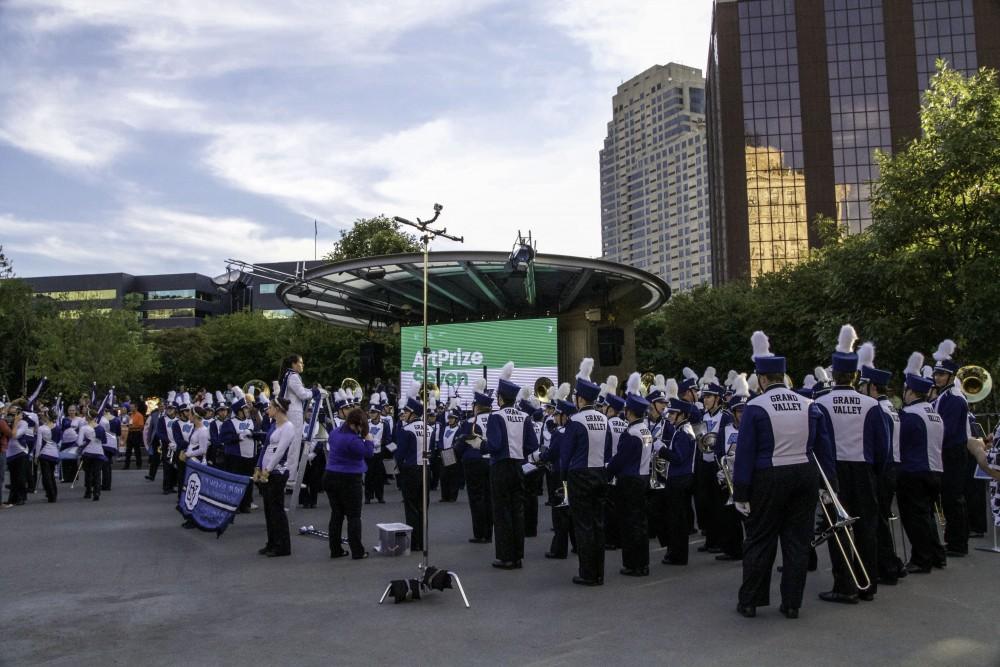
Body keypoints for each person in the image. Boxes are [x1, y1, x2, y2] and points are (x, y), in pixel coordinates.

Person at [733, 331, 835, 619]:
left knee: (760, 539)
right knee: (797, 542)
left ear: (763, 380)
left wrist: (741, 492)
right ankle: (792, 603)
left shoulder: (755, 407)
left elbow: (745, 455)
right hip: (805, 474)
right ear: (784, 377)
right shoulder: (809, 404)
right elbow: (823, 448)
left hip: (769, 476)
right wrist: (830, 485)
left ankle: (751, 601)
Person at [813, 325, 888, 604]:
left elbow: (815, 442)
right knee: (867, 528)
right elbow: (883, 447)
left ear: (833, 375)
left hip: (834, 472)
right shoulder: (870, 404)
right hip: (863, 470)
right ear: (856, 375)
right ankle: (868, 585)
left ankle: (845, 586)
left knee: (839, 530)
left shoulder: (820, 401)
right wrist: (876, 472)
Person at [857, 343, 907, 585]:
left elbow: (882, 447)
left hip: (884, 469)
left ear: (872, 387)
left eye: (863, 386)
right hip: (891, 467)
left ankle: (888, 566)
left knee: (877, 521)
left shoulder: (879, 408)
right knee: (880, 520)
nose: (860, 390)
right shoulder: (890, 407)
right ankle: (889, 564)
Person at [483, 362, 539, 570]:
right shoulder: (524, 416)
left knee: (502, 512)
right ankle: (517, 556)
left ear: (499, 398)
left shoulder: (495, 416)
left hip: (500, 468)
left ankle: (506, 556)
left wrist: (481, 445)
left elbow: (494, 445)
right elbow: (533, 444)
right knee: (517, 511)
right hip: (518, 467)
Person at [561, 358, 611, 586]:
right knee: (599, 524)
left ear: (580, 398)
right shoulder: (604, 419)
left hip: (580, 476)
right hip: (600, 473)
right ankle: (599, 571)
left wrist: (563, 477)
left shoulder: (575, 420)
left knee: (583, 525)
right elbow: (609, 450)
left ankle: (587, 573)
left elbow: (566, 454)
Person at [896, 353, 947, 574]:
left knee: (914, 518)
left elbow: (899, 443)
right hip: (935, 469)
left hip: (914, 471)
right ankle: (937, 554)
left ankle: (921, 559)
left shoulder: (908, 415)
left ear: (910, 392)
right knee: (927, 515)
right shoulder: (934, 413)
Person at [929, 339, 973, 556]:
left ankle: (958, 543)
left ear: (951, 377)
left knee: (953, 498)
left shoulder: (954, 398)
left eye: (941, 375)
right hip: (947, 451)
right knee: (949, 498)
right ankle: (954, 540)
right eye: (936, 374)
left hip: (952, 451)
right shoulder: (944, 395)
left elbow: (946, 429)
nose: (937, 378)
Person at [606, 379, 653, 576]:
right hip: (643, 478)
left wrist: (607, 470)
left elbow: (620, 460)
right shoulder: (646, 430)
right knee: (641, 524)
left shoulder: (631, 433)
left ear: (629, 412)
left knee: (629, 524)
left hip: (629, 481)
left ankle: (633, 564)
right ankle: (643, 563)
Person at [655, 379, 697, 566]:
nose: (670, 416)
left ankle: (677, 555)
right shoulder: (680, 430)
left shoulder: (683, 432)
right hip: (679, 478)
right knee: (676, 519)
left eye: (673, 413)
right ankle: (675, 553)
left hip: (680, 480)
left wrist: (661, 449)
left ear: (682, 414)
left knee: (677, 521)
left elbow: (679, 458)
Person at [325, 406, 375, 559]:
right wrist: (369, 440)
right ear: (358, 424)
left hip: (330, 475)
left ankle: (335, 549)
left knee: (336, 515)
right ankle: (357, 551)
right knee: (353, 516)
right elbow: (368, 453)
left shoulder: (334, 433)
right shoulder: (353, 440)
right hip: (349, 479)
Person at [536, 383, 577, 560]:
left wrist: (539, 458)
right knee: (573, 511)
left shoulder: (559, 433)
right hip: (573, 475)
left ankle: (558, 549)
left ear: (564, 416)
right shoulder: (574, 430)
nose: (555, 418)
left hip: (560, 475)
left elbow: (551, 454)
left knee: (560, 513)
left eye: (558, 415)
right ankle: (577, 545)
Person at [714, 373, 750, 561]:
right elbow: (719, 452)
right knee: (729, 518)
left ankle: (752, 550)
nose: (742, 415)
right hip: (729, 478)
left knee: (749, 518)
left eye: (745, 411)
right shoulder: (725, 430)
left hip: (748, 479)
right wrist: (721, 469)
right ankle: (733, 550)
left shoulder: (753, 429)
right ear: (734, 413)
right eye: (739, 411)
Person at [255, 397, 296, 557]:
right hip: (267, 470)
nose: (267, 410)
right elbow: (265, 446)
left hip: (277, 472)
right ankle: (271, 542)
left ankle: (282, 546)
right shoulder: (273, 425)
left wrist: (268, 469)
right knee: (268, 509)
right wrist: (258, 466)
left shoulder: (288, 427)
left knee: (277, 509)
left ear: (278, 409)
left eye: (270, 407)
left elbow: (280, 451)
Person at [456, 377, 494, 544]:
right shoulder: (496, 419)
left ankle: (480, 534)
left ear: (476, 406)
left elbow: (461, 445)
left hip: (474, 463)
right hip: (491, 462)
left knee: (476, 498)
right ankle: (489, 533)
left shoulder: (470, 422)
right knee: (489, 498)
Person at [694, 368, 726, 555]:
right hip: (704, 463)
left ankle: (721, 541)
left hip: (717, 463)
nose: (705, 399)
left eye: (709, 396)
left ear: (718, 398)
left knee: (718, 504)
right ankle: (710, 539)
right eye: (704, 396)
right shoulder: (703, 416)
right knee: (705, 503)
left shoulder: (725, 416)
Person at [393, 384, 427, 552]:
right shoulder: (429, 428)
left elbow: (399, 455)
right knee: (423, 508)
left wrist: (397, 467)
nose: (404, 414)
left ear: (413, 413)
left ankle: (414, 543)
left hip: (411, 471)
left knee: (411, 508)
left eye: (406, 412)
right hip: (426, 471)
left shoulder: (406, 429)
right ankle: (423, 541)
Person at [597, 376, 626, 551]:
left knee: (608, 507)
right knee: (620, 506)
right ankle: (620, 538)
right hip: (622, 470)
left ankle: (610, 539)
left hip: (609, 468)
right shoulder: (625, 424)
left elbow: (604, 448)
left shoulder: (606, 423)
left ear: (609, 408)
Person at [220, 395, 258, 513]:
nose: (247, 411)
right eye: (245, 409)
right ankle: (233, 504)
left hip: (250, 456)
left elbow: (258, 431)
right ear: (239, 411)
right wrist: (238, 436)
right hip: (235, 456)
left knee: (248, 481)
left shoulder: (252, 420)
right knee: (235, 481)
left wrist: (252, 432)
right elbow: (223, 437)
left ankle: (245, 504)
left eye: (247, 409)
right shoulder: (229, 423)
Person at [436, 399, 463, 503]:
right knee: (443, 476)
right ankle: (444, 496)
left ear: (456, 420)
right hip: (444, 454)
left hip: (453, 455)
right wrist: (441, 449)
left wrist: (452, 450)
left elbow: (459, 442)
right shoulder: (445, 428)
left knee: (453, 477)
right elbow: (440, 440)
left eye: (453, 418)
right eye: (450, 418)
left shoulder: (459, 430)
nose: (450, 420)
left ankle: (452, 496)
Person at [78, 409, 108, 501]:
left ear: (88, 417)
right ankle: (97, 492)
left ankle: (88, 492)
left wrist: (86, 441)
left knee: (88, 473)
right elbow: (104, 441)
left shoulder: (84, 428)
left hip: (87, 453)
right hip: (99, 453)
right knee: (97, 473)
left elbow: (79, 443)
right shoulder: (101, 428)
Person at [6, 404, 32, 506]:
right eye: (11, 413)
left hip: (21, 451)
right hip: (10, 452)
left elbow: (15, 435)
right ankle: (12, 498)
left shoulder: (23, 423)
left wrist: (16, 422)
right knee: (13, 477)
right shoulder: (8, 422)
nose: (12, 415)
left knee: (20, 477)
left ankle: (21, 497)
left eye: (14, 413)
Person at [364, 396, 388, 504]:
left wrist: (381, 444)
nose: (371, 414)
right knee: (368, 476)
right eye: (370, 412)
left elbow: (389, 438)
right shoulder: (366, 424)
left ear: (378, 413)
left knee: (379, 476)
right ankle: (368, 496)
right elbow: (361, 436)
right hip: (369, 453)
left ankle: (380, 496)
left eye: (374, 412)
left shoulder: (384, 424)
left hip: (379, 454)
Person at [35, 408, 60, 502]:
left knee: (46, 475)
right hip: (54, 453)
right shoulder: (57, 427)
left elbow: (39, 444)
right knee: (52, 475)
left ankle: (51, 495)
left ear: (46, 417)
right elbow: (58, 442)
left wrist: (36, 455)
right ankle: (54, 493)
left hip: (44, 453)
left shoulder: (42, 428)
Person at [123, 403, 145, 470]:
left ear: (136, 408)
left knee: (137, 450)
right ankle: (126, 465)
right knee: (128, 450)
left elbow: (141, 426)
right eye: (130, 407)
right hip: (130, 433)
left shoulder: (139, 415)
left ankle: (139, 465)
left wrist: (132, 427)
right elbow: (130, 423)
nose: (131, 408)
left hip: (136, 433)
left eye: (132, 407)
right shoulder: (131, 415)